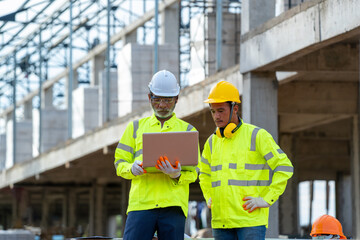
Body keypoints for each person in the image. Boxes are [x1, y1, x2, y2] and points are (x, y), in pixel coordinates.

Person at [198, 81, 294, 240]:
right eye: (213, 111)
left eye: (221, 110)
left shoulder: (257, 136)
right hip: (221, 223)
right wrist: (209, 196)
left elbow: (284, 167)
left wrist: (266, 199)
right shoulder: (211, 142)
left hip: (250, 222)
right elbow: (204, 174)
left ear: (235, 108)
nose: (216, 116)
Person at [114, 70, 198, 240]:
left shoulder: (188, 131)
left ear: (176, 99)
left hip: (173, 206)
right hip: (141, 205)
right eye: (157, 99)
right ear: (149, 97)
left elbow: (195, 172)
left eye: (167, 100)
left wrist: (177, 175)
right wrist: (131, 168)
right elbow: (119, 163)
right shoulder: (135, 128)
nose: (161, 105)